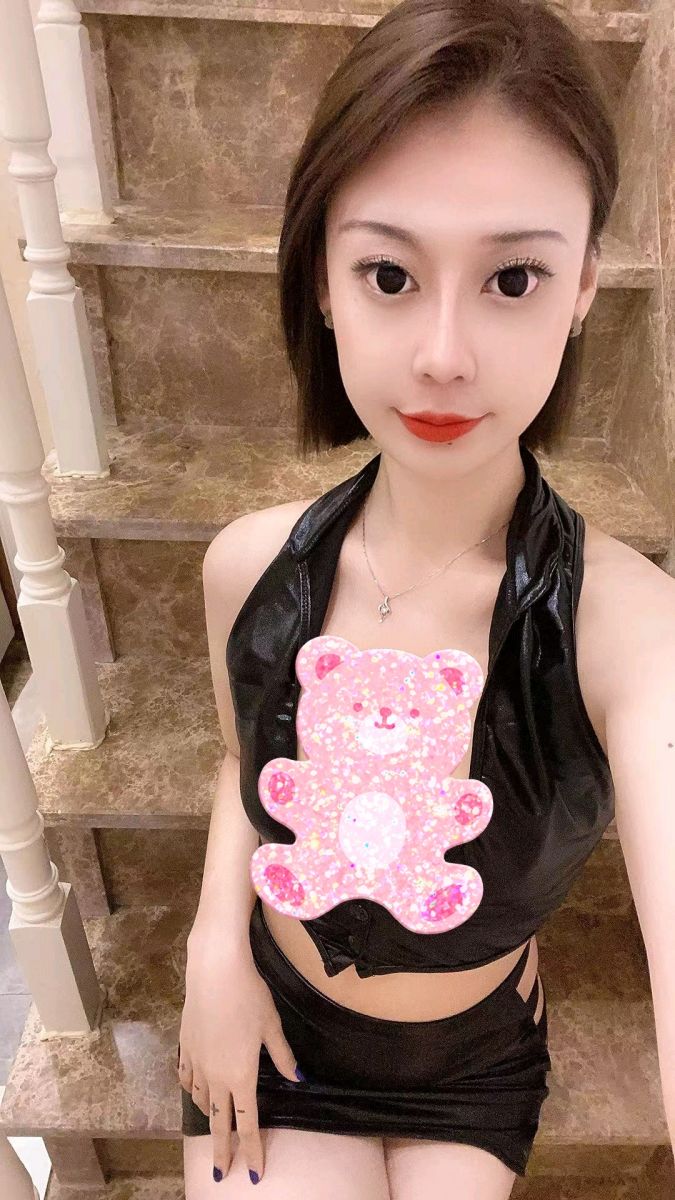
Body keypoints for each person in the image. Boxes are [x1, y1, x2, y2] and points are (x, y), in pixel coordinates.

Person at [178, 0, 622, 1194]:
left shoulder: (624, 626)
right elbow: (240, 760)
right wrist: (211, 950)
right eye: (388, 273)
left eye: (514, 278)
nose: (443, 354)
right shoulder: (248, 566)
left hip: (473, 1058)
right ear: (324, 282)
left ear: (585, 284)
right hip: (271, 1028)